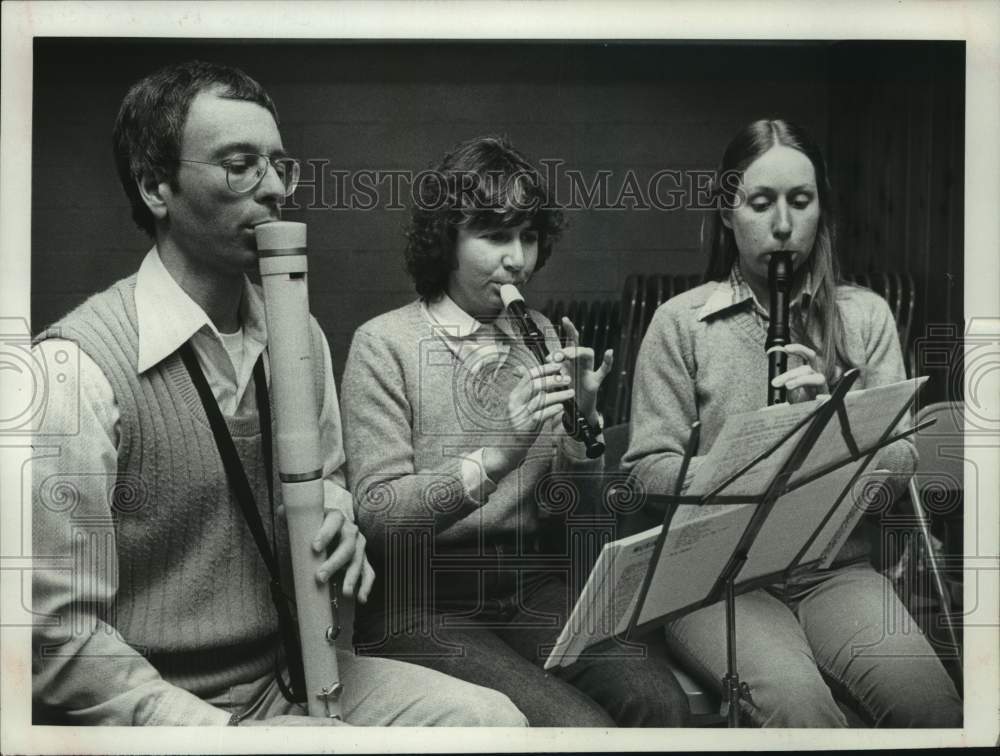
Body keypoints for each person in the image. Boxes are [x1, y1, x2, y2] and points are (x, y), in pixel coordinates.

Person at [30, 60, 527, 727]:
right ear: (156, 187)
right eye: (239, 165)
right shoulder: (73, 371)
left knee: (492, 723)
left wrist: (340, 517)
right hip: (164, 706)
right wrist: (220, 735)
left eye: (278, 165)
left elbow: (327, 483)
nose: (272, 190)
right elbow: (58, 639)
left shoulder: (301, 336)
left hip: (292, 673)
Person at [621, 118, 963, 727]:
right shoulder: (680, 324)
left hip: (836, 571)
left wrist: (838, 421)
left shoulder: (865, 317)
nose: (783, 225)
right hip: (714, 582)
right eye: (760, 203)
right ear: (728, 214)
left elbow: (903, 463)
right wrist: (750, 459)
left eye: (800, 202)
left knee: (932, 708)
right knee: (798, 707)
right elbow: (646, 472)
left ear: (820, 211)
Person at [340, 135, 690, 727]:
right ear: (446, 238)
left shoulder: (544, 335)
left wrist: (582, 437)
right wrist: (496, 456)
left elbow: (575, 518)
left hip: (528, 583)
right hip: (420, 600)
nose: (518, 260)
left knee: (658, 701)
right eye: (495, 235)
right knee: (574, 727)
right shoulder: (384, 344)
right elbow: (378, 516)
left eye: (528, 236)